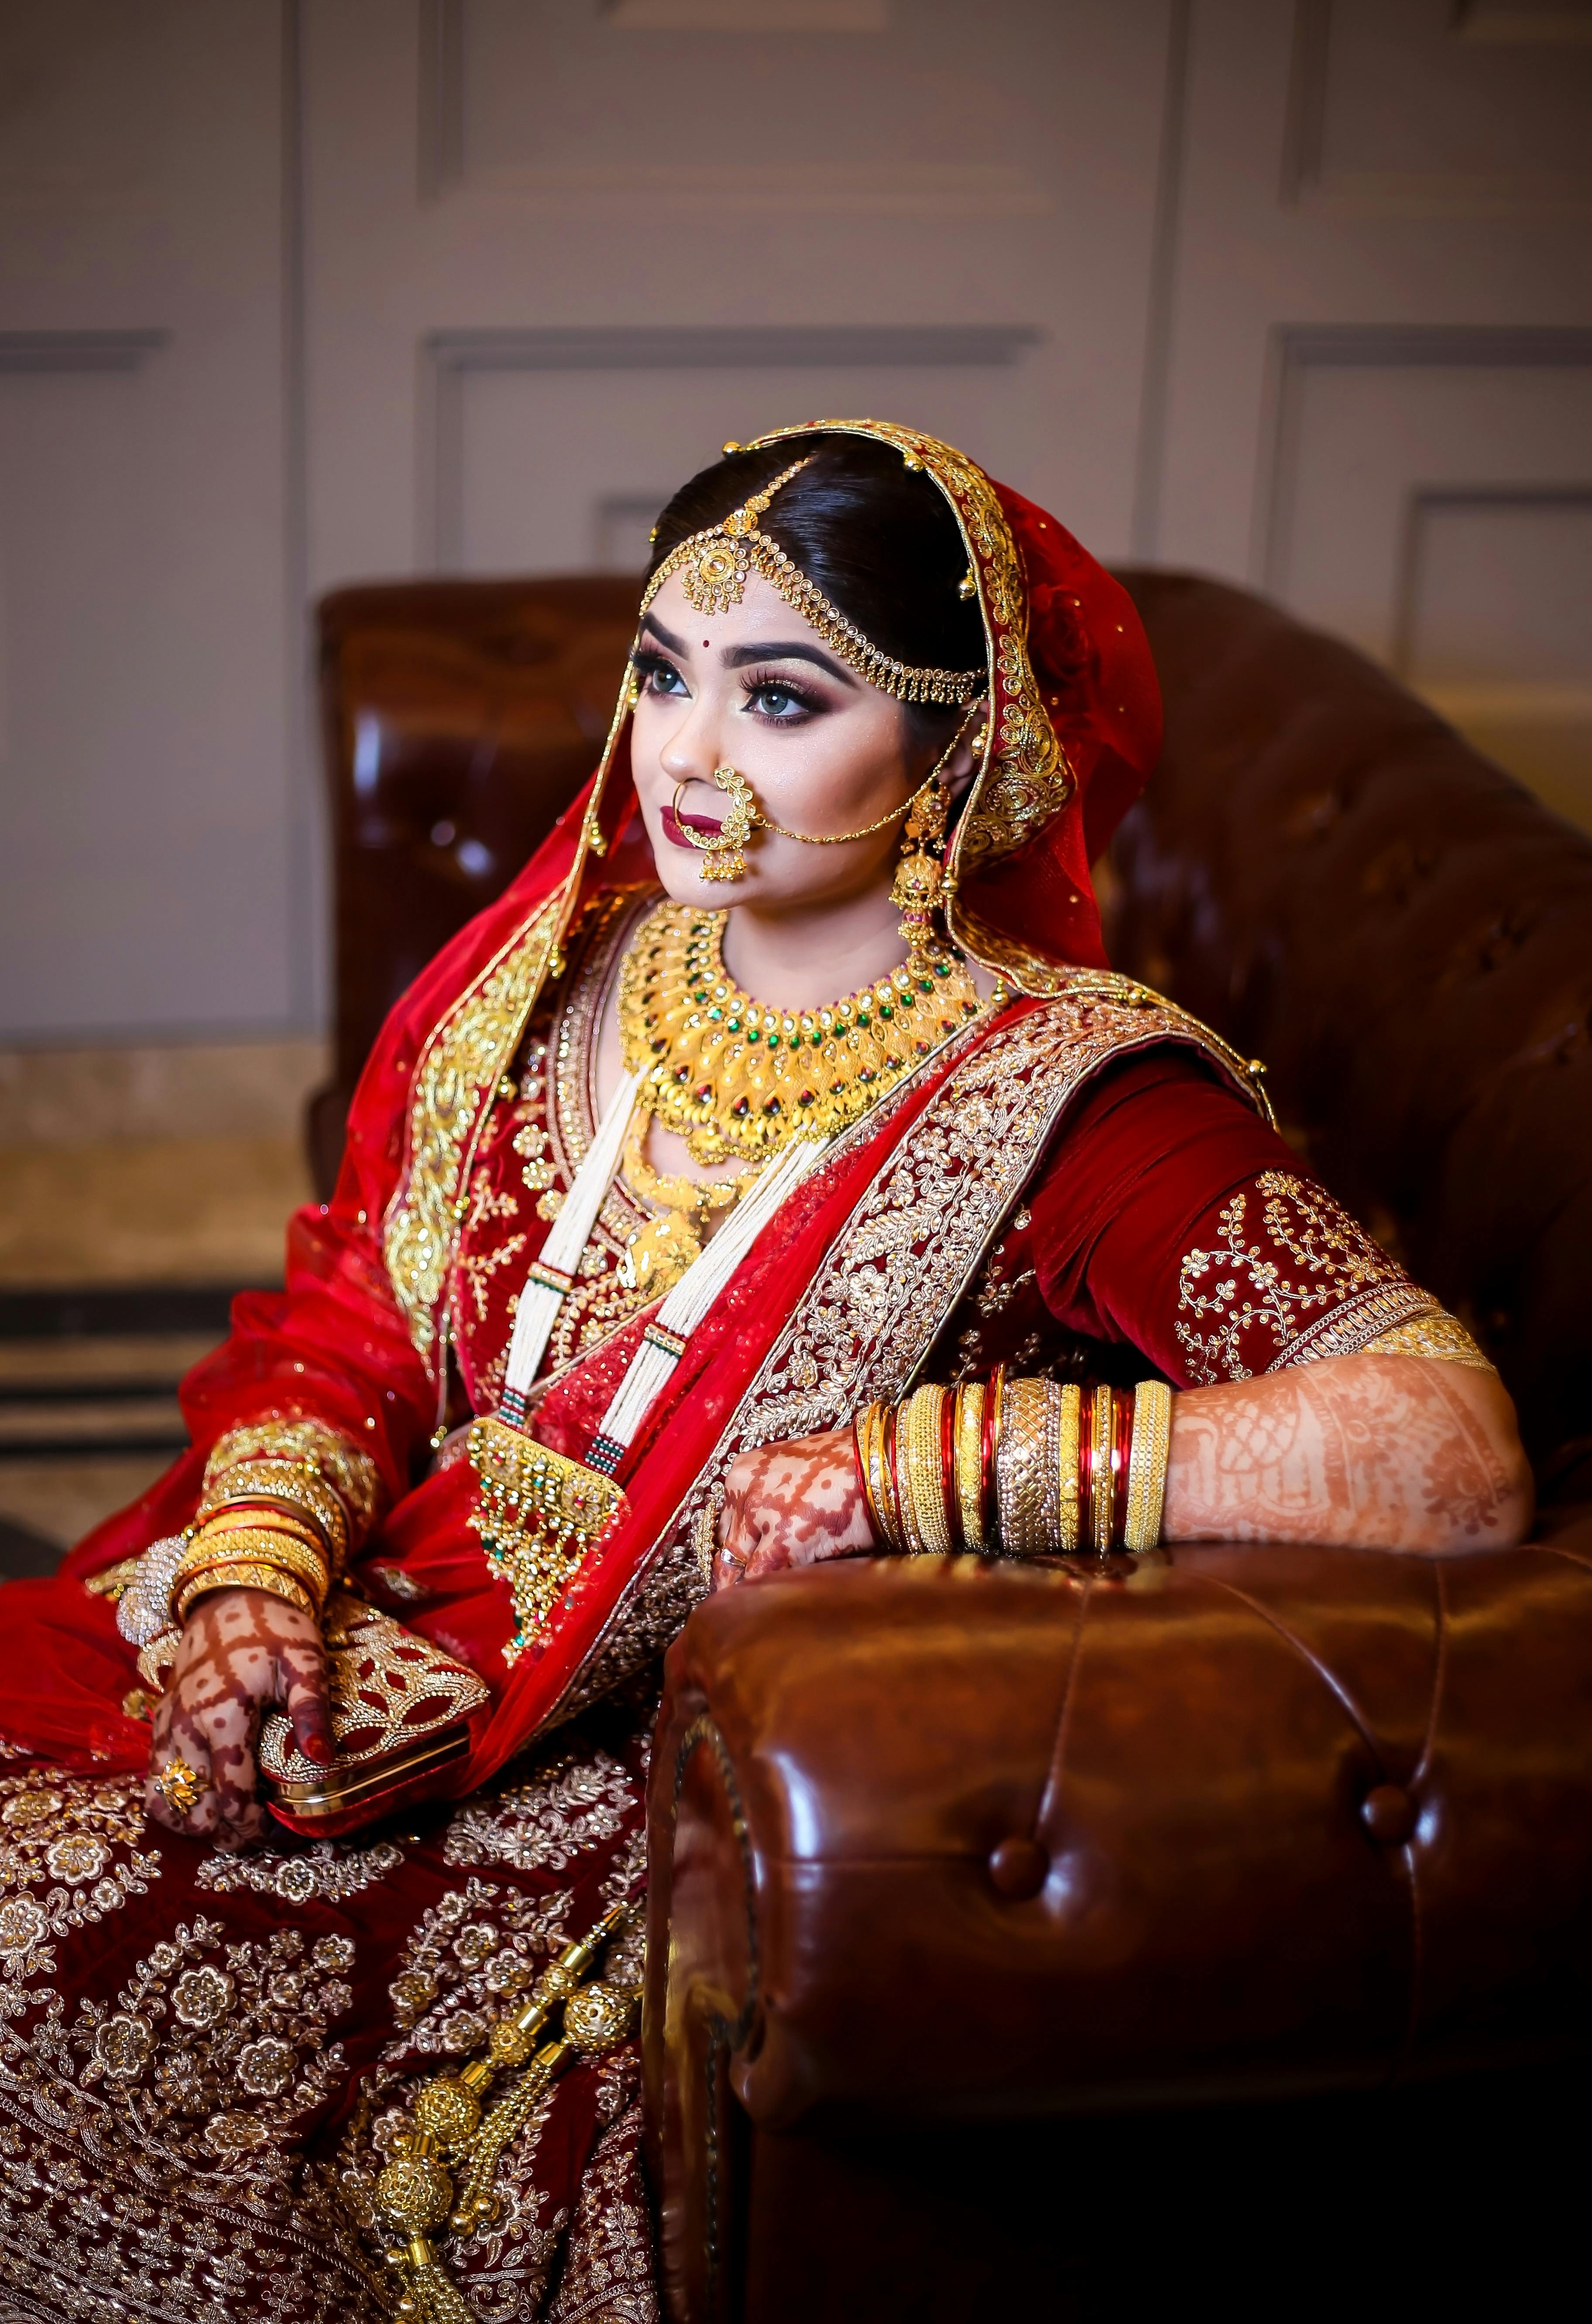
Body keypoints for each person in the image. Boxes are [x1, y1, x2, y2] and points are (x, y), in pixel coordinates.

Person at [0, 422, 1530, 2322]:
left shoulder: (1070, 1105)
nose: (688, 757)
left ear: (957, 755)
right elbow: (360, 1317)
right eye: (663, 671)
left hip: (645, 1761)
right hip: (380, 1625)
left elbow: (1444, 1449)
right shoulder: (567, 970)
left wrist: (931, 1469)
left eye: (782, 697)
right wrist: (253, 1578)